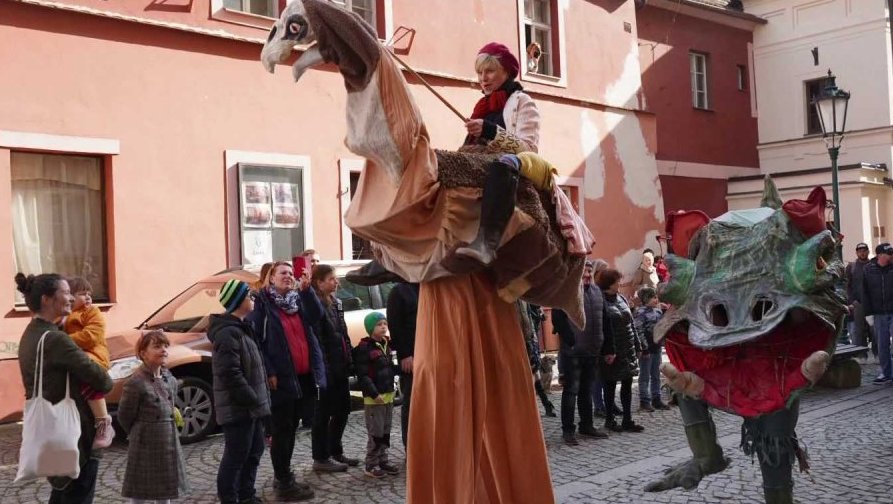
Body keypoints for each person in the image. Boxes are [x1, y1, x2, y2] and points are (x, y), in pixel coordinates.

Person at [16, 273, 113, 504]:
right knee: (76, 495)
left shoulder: (32, 334)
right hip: (75, 435)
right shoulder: (57, 340)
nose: (71, 298)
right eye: (66, 292)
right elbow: (104, 382)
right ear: (47, 299)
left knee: (61, 493)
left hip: (51, 431)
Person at [455, 41, 541, 265]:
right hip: (477, 162)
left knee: (501, 165)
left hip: (510, 167)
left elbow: (529, 149)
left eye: (490, 71)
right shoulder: (481, 107)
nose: (483, 78)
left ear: (507, 72)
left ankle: (487, 242)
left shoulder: (522, 102)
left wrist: (490, 130)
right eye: (480, 72)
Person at [247, 261, 325, 501]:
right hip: (280, 378)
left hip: (303, 376)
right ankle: (282, 480)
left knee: (292, 427)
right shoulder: (262, 304)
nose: (288, 276)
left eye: (291, 273)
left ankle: (286, 476)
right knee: (282, 430)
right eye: (283, 273)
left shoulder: (298, 299)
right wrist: (269, 370)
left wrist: (307, 290)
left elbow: (317, 316)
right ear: (271, 278)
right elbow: (257, 340)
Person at [209, 280, 270, 504]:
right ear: (238, 301)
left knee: (254, 451)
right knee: (236, 456)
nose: (252, 299)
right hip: (238, 408)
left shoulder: (243, 328)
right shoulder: (228, 334)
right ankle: (230, 498)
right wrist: (252, 399)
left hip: (250, 407)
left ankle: (247, 494)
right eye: (248, 296)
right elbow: (230, 373)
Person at [117, 330, 189, 503]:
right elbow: (124, 415)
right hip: (145, 442)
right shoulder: (136, 383)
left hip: (168, 440)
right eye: (157, 346)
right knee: (140, 488)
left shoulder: (169, 378)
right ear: (143, 353)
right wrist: (140, 432)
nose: (163, 350)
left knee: (166, 487)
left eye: (165, 346)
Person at [552, 260, 610, 445]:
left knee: (587, 390)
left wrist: (609, 347)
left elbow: (605, 320)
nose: (586, 275)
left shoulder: (597, 292)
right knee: (571, 391)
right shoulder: (566, 291)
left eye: (589, 272)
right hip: (573, 352)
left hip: (592, 350)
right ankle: (568, 431)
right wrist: (570, 340)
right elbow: (558, 318)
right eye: (583, 272)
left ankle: (587, 425)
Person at [310, 264, 360, 472]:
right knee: (322, 414)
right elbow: (319, 340)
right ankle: (321, 457)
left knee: (343, 410)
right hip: (326, 368)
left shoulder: (336, 303)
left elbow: (343, 334)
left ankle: (335, 450)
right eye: (331, 279)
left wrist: (349, 358)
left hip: (341, 365)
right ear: (319, 282)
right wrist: (324, 368)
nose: (336, 282)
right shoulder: (316, 306)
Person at [62, 276, 114, 449]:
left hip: (94, 355)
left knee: (88, 378)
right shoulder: (64, 315)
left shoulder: (92, 312)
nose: (87, 297)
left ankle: (103, 422)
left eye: (88, 293)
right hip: (75, 356)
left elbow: (91, 336)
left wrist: (63, 341)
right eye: (82, 294)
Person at [598, 269, 645, 432]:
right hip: (612, 349)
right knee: (609, 385)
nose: (620, 283)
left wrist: (638, 345)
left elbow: (631, 323)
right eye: (617, 280)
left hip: (628, 347)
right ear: (609, 283)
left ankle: (627, 419)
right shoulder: (600, 301)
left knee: (627, 383)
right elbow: (600, 327)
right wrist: (605, 351)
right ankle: (610, 419)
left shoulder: (621, 298)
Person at [354, 312, 399, 478]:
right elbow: (363, 375)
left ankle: (383, 459)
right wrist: (374, 394)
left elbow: (389, 368)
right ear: (371, 328)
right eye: (379, 324)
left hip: (387, 395)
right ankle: (371, 463)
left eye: (385, 324)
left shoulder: (386, 344)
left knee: (385, 431)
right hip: (375, 399)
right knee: (376, 432)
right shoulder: (364, 348)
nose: (383, 327)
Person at [386, 281, 419, 448]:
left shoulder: (426, 287)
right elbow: (395, 326)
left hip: (429, 353)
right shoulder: (399, 291)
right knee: (412, 402)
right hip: (411, 356)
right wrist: (405, 354)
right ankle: (411, 446)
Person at [862, 242, 893, 384]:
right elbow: (865, 293)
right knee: (882, 345)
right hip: (879, 313)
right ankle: (886, 373)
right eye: (889, 254)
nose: (891, 256)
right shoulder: (868, 269)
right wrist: (868, 313)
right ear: (880, 255)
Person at [634, 286, 668, 412]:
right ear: (645, 299)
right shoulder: (640, 313)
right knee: (644, 375)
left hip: (657, 347)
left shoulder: (658, 311)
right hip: (646, 350)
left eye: (656, 297)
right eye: (653, 297)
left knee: (656, 374)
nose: (656, 299)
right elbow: (639, 330)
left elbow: (661, 326)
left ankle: (656, 398)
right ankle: (644, 400)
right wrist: (644, 348)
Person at [521, 301, 555, 417]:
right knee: (532, 373)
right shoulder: (526, 301)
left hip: (529, 338)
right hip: (527, 338)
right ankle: (545, 404)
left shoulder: (529, 303)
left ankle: (545, 404)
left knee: (534, 372)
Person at [846, 242, 871, 347]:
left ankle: (876, 354)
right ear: (856, 253)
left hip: (872, 303)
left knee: (874, 330)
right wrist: (852, 301)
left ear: (868, 252)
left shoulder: (873, 265)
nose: (862, 253)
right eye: (860, 251)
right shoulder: (851, 267)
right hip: (857, 303)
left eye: (864, 251)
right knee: (858, 330)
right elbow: (847, 286)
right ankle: (862, 355)